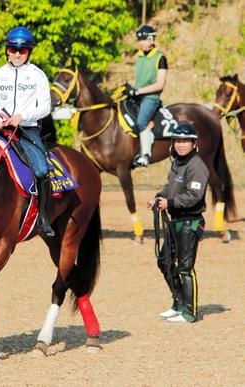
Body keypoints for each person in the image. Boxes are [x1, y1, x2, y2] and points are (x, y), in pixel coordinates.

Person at [0, 26, 54, 237]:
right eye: (13, 49)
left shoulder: (38, 75)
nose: (17, 54)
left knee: (40, 171)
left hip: (27, 131)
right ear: (7, 50)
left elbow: (45, 107)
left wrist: (23, 116)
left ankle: (44, 218)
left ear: (29, 51)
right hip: (0, 131)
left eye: (22, 50)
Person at [147, 123, 208, 323]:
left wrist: (170, 203)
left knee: (185, 268)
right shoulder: (177, 163)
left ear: (193, 143)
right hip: (175, 221)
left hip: (190, 221)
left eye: (185, 141)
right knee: (164, 261)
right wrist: (159, 197)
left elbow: (194, 196)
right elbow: (171, 187)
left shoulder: (197, 166)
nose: (181, 145)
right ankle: (178, 303)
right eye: (178, 141)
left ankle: (189, 313)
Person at [127, 25, 168, 168]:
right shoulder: (139, 56)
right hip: (138, 95)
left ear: (151, 39)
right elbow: (139, 79)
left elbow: (160, 85)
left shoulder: (160, 58)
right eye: (139, 40)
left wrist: (139, 91)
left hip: (151, 97)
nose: (141, 42)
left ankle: (145, 155)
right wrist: (131, 88)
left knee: (141, 122)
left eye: (144, 39)